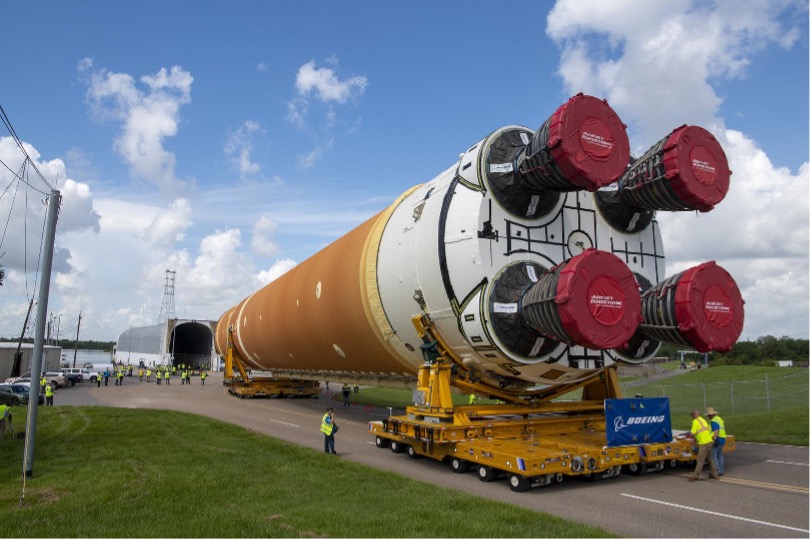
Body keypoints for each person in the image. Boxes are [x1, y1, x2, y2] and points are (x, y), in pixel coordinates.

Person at [689, 409, 719, 481]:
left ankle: (695, 475)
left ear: (693, 415)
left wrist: (692, 439)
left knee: (700, 460)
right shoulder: (703, 420)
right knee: (710, 459)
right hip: (709, 441)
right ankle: (715, 474)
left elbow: (692, 433)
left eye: (692, 416)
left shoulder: (695, 421)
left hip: (703, 443)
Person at [707, 407, 727, 476]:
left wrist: (713, 440)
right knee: (720, 455)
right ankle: (721, 470)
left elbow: (716, 431)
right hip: (723, 438)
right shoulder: (719, 419)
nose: (708, 416)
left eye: (708, 415)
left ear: (711, 415)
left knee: (713, 456)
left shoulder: (713, 421)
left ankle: (717, 471)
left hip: (717, 439)